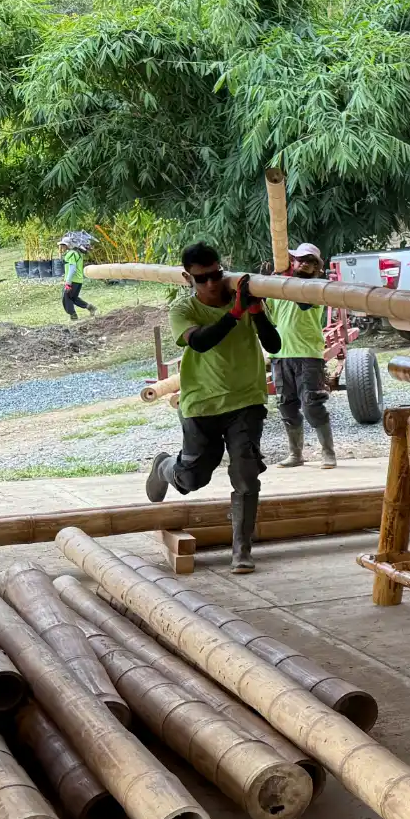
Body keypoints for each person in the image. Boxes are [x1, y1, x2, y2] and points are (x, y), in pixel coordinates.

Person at [144, 243, 281, 573]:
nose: (210, 284)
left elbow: (274, 345)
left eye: (216, 275)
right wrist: (234, 314)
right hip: (201, 404)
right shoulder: (183, 310)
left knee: (246, 473)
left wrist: (257, 311)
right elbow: (201, 341)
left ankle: (242, 550)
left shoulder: (245, 302)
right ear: (188, 278)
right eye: (201, 278)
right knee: (193, 478)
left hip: (245, 401)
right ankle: (165, 467)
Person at [266, 243, 336, 470]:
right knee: (286, 405)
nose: (305, 263)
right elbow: (268, 317)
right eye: (301, 260)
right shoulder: (278, 290)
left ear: (317, 269)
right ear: (293, 263)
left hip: (308, 355)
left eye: (311, 261)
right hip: (281, 355)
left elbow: (303, 304)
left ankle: (328, 453)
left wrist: (280, 280)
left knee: (311, 404)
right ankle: (296, 454)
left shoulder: (315, 288)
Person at [62, 241, 96, 320]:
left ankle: (73, 316)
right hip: (78, 280)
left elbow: (72, 268)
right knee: (73, 298)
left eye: (63, 245)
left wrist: (68, 282)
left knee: (66, 297)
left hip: (73, 280)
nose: (62, 247)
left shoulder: (72, 254)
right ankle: (90, 307)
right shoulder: (77, 253)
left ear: (68, 245)